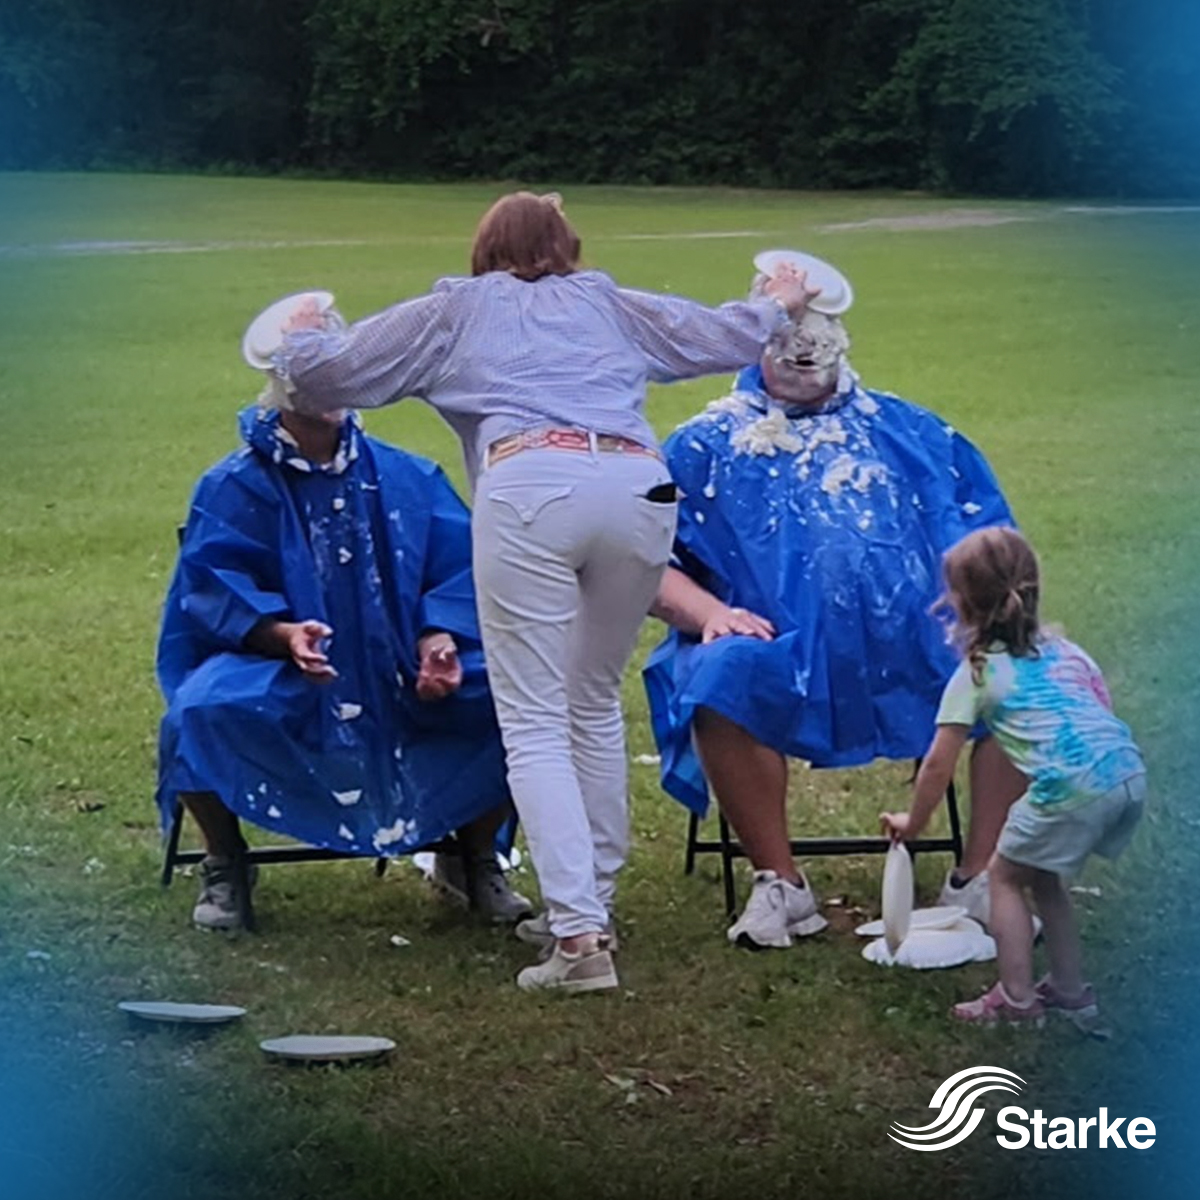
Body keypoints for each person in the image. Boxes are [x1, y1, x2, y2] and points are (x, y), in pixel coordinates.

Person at [271, 191, 817, 991]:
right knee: (591, 698)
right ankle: (591, 899)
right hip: (639, 486)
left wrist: (303, 330)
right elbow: (718, 333)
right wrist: (777, 303)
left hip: (531, 482)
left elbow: (328, 372)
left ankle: (578, 939)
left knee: (530, 718)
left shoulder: (456, 309)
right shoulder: (606, 300)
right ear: (568, 247)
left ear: (483, 250)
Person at [644, 278, 1026, 949]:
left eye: (815, 352)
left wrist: (988, 612)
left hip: (917, 638)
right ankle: (781, 885)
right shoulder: (701, 443)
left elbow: (987, 532)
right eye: (788, 351)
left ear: (841, 348)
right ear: (758, 346)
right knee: (722, 670)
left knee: (1017, 670)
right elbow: (645, 562)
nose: (802, 365)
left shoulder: (912, 430)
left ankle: (980, 876)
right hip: (776, 642)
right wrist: (708, 613)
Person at [156, 301, 529, 931]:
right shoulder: (232, 486)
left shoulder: (408, 476)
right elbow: (212, 587)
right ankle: (225, 860)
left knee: (517, 696)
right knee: (197, 713)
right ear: (283, 383)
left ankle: (472, 856)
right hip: (290, 673)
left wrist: (437, 637)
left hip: (398, 666)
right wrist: (281, 635)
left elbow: (459, 566)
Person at [882, 527, 1145, 1026]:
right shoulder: (1070, 652)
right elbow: (1097, 710)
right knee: (1045, 878)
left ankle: (1017, 999)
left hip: (1069, 789)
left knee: (1003, 877)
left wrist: (912, 821)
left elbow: (938, 763)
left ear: (961, 604)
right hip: (1124, 775)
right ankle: (1070, 991)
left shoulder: (977, 673)